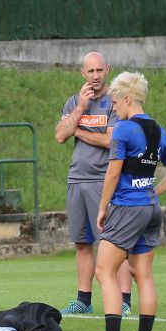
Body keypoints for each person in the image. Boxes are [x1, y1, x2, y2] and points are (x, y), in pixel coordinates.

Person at [81, 72, 166, 331]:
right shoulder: (158, 130)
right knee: (143, 274)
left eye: (115, 101)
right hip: (150, 208)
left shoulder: (124, 130)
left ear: (127, 99)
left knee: (104, 270)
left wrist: (102, 207)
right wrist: (154, 192)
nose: (113, 107)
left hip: (128, 207)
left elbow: (113, 171)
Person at [55, 52, 132, 316]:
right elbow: (59, 136)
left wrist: (75, 129)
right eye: (91, 72)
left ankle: (124, 300)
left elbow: (109, 141)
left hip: (104, 180)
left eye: (100, 70)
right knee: (82, 242)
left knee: (112, 242)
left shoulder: (115, 102)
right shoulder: (73, 102)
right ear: (82, 73)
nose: (96, 76)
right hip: (77, 178)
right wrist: (78, 110)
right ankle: (83, 301)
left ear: (108, 70)